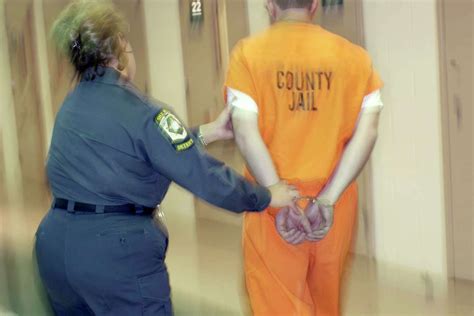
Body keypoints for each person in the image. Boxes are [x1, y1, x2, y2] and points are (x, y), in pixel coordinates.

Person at [34, 1, 299, 315]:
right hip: (115, 259)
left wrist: (206, 133)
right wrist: (266, 196)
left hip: (56, 249)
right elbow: (205, 178)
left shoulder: (72, 105)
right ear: (118, 50)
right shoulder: (144, 112)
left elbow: (135, 149)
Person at [224, 0, 384, 315]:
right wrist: (326, 200)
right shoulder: (355, 58)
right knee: (326, 301)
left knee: (276, 301)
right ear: (315, 4)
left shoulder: (248, 55)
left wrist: (277, 193)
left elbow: (244, 130)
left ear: (269, 4)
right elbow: (367, 134)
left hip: (271, 201)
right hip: (332, 205)